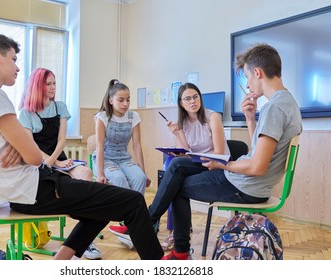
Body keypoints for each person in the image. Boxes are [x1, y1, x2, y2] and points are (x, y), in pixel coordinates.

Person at [0, 31, 164, 260]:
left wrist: (22, 145)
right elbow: (35, 157)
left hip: (22, 188)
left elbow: (23, 149)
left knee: (105, 201)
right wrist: (24, 146)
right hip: (32, 190)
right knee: (133, 200)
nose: (17, 68)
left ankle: (61, 261)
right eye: (13, 59)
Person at [112, 43, 302, 260]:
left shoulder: (274, 108)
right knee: (177, 167)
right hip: (250, 183)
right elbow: (259, 153)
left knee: (177, 185)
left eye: (248, 77)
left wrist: (224, 164)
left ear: (258, 72)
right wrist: (250, 119)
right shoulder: (287, 103)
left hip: (247, 185)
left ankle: (166, 241)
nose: (248, 83)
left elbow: (257, 166)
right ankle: (159, 233)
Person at [110, 82, 230, 251]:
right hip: (199, 164)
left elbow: (218, 154)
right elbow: (187, 153)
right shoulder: (184, 123)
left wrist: (188, 158)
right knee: (175, 168)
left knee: (176, 165)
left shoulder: (212, 117)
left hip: (215, 165)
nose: (193, 101)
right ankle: (170, 237)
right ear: (181, 103)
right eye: (187, 99)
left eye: (195, 97)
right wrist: (177, 134)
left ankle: (145, 220)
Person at [18, 67, 100, 260]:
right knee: (63, 186)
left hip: (59, 157)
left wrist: (56, 162)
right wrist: (50, 163)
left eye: (54, 83)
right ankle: (80, 240)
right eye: (48, 84)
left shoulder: (60, 107)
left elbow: (62, 139)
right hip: (38, 161)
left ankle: (85, 237)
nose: (53, 87)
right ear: (38, 86)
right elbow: (30, 146)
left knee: (86, 174)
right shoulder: (26, 113)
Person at [93, 79, 151, 249]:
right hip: (105, 158)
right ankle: (127, 224)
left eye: (128, 100)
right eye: (121, 100)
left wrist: (144, 171)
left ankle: (131, 222)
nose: (125, 104)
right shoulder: (102, 117)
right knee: (119, 179)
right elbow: (99, 146)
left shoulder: (134, 117)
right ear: (111, 100)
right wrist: (101, 173)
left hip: (124, 158)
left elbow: (137, 145)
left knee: (139, 178)